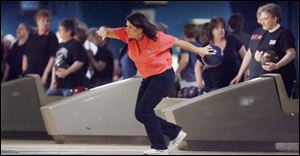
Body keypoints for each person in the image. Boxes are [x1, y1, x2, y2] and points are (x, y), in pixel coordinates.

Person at [97, 12, 213, 155]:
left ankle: (159, 146)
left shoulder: (157, 38)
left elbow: (179, 42)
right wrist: (104, 30)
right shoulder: (128, 35)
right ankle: (175, 132)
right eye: (126, 26)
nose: (126, 29)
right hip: (148, 77)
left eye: (130, 27)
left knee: (145, 109)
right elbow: (111, 32)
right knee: (139, 114)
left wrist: (199, 50)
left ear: (140, 29)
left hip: (163, 76)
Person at [231, 3, 296, 96]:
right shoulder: (259, 32)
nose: (262, 21)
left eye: (266, 19)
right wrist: (240, 74)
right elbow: (251, 53)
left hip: (276, 81)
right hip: (256, 78)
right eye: (262, 19)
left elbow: (291, 53)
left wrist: (277, 65)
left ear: (275, 18)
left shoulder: (284, 34)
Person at [195, 17, 247, 93]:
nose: (220, 30)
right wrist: (199, 81)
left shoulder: (232, 40)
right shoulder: (207, 47)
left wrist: (246, 72)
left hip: (236, 81)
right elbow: (198, 66)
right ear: (211, 31)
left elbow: (245, 56)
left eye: (222, 27)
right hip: (216, 86)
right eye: (217, 28)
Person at [46, 19, 88, 96]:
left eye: (61, 30)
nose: (59, 32)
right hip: (59, 85)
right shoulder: (59, 45)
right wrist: (53, 81)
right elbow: (55, 63)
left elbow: (79, 62)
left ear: (68, 31)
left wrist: (67, 71)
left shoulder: (76, 45)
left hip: (72, 85)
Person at [22, 9, 59, 88]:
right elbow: (25, 54)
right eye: (43, 20)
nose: (46, 23)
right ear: (37, 22)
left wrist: (45, 75)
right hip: (30, 74)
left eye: (48, 21)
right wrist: (24, 71)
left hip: (44, 74)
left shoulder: (52, 37)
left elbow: (53, 57)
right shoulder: (32, 36)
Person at [176, 23, 200, 88]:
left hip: (188, 79)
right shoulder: (200, 46)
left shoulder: (185, 45)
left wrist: (177, 71)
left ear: (184, 33)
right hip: (198, 79)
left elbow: (185, 60)